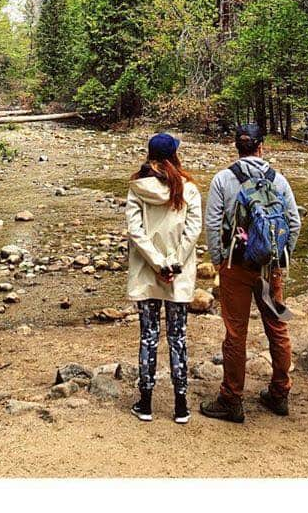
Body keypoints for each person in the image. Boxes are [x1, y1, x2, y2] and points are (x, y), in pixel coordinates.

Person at [200, 123, 302, 423]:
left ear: (237, 147)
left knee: (235, 333)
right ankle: (280, 393)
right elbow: (293, 223)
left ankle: (232, 400)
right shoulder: (278, 180)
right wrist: (281, 259)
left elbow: (213, 224)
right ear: (261, 146)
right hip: (269, 268)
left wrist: (219, 260)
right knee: (277, 327)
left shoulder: (223, 179)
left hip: (236, 265)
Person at [125, 131, 202, 424]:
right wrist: (173, 266)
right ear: (174, 156)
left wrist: (157, 265)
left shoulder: (137, 188)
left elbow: (136, 233)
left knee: (148, 337)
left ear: (150, 155)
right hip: (177, 277)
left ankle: (145, 403)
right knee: (178, 337)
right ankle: (180, 406)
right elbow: (192, 232)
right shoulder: (188, 189)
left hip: (146, 274)